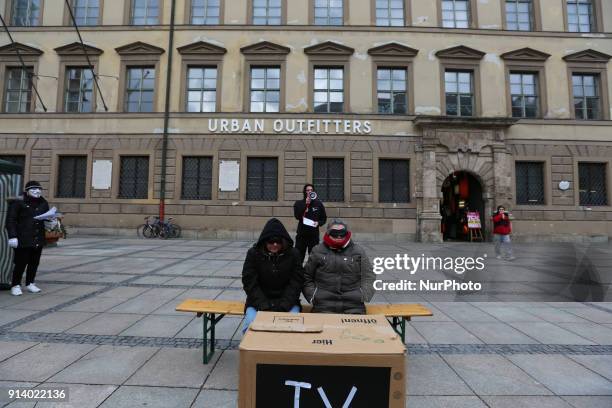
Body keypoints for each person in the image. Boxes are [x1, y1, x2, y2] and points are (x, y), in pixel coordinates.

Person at [241, 218, 304, 333]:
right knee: (251, 327)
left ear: (283, 241)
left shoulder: (293, 254)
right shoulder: (253, 254)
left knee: (292, 329)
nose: (274, 244)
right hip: (258, 302)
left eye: (278, 241)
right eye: (270, 241)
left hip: (287, 302)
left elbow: (296, 282)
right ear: (264, 241)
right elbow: (249, 282)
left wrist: (284, 305)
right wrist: (263, 305)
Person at [303, 219, 375, 314]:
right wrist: (313, 296)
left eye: (342, 234)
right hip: (323, 305)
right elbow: (306, 276)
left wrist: (363, 295)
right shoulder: (317, 251)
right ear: (328, 233)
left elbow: (369, 275)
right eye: (335, 234)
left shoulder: (358, 251)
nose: (339, 237)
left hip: (354, 306)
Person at [6, 181, 50, 296]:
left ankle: (30, 282)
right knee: (21, 262)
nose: (37, 191)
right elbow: (11, 220)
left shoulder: (43, 203)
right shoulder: (18, 202)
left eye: (39, 189)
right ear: (27, 191)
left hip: (38, 237)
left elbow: (46, 217)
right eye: (33, 189)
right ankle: (15, 285)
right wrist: (12, 236)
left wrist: (51, 221)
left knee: (34, 262)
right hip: (23, 238)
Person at [293, 183, 327, 262]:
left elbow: (323, 218)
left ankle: (311, 274)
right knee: (298, 257)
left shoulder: (318, 204)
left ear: (314, 192)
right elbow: (297, 216)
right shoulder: (299, 203)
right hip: (302, 235)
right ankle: (299, 273)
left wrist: (318, 223)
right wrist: (305, 205)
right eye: (307, 190)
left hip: (313, 235)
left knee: (314, 258)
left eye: (311, 190)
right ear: (304, 192)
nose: (309, 192)